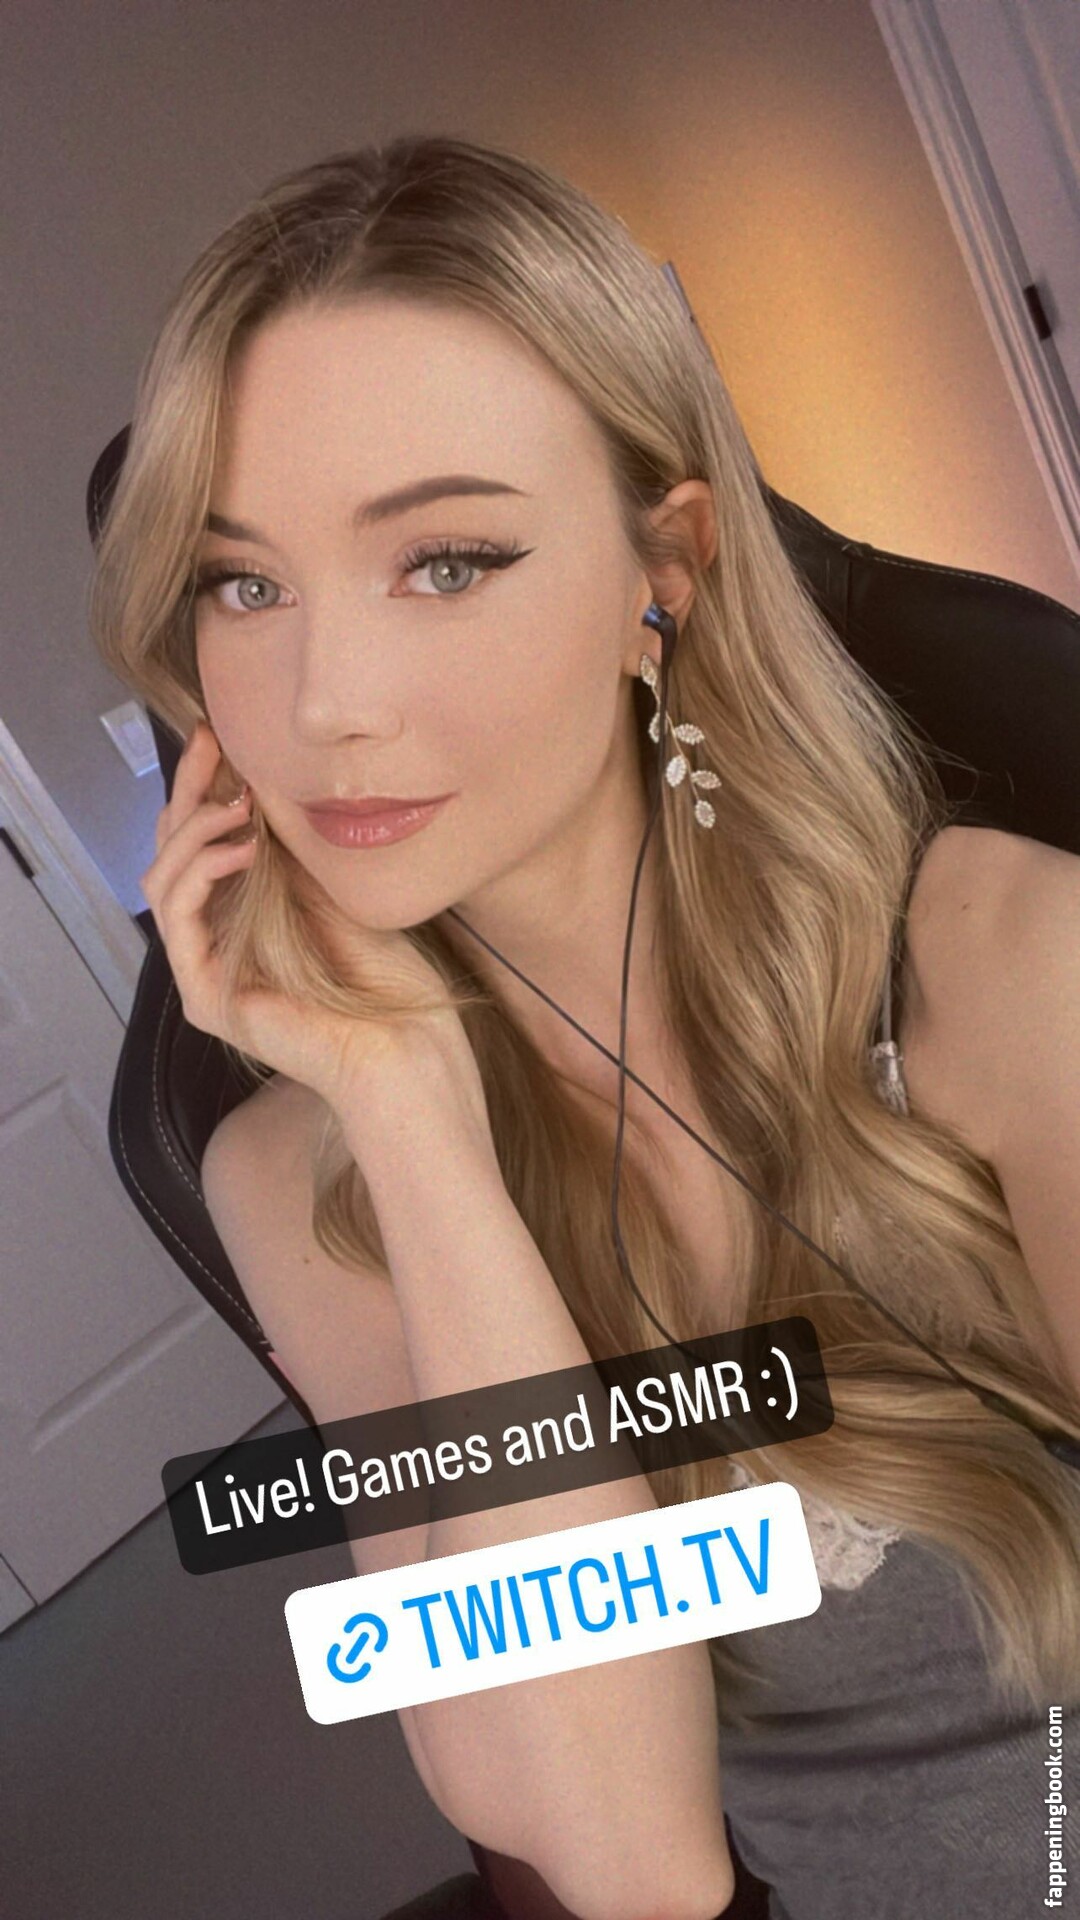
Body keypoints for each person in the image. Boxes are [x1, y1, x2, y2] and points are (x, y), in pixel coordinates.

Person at [89, 134, 1080, 1920]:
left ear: (664, 572)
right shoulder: (294, 1176)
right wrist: (408, 1112)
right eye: (244, 583)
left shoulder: (1003, 967)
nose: (326, 703)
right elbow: (628, 1863)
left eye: (446, 561)